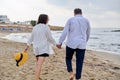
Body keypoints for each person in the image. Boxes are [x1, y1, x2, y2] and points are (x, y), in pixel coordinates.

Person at [57, 8, 91, 80]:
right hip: (82, 44)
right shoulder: (86, 20)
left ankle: (71, 73)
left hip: (71, 43)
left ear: (74, 13)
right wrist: (85, 41)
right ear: (81, 13)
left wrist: (60, 42)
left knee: (68, 58)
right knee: (80, 61)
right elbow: (88, 33)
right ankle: (78, 77)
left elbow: (65, 32)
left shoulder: (70, 20)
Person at [24, 14, 56, 80]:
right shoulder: (46, 27)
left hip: (36, 49)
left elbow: (31, 38)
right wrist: (56, 44)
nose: (48, 20)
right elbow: (50, 38)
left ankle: (38, 77)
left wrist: (27, 47)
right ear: (45, 19)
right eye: (48, 18)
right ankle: (36, 78)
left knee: (38, 64)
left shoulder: (35, 27)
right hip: (43, 48)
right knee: (39, 65)